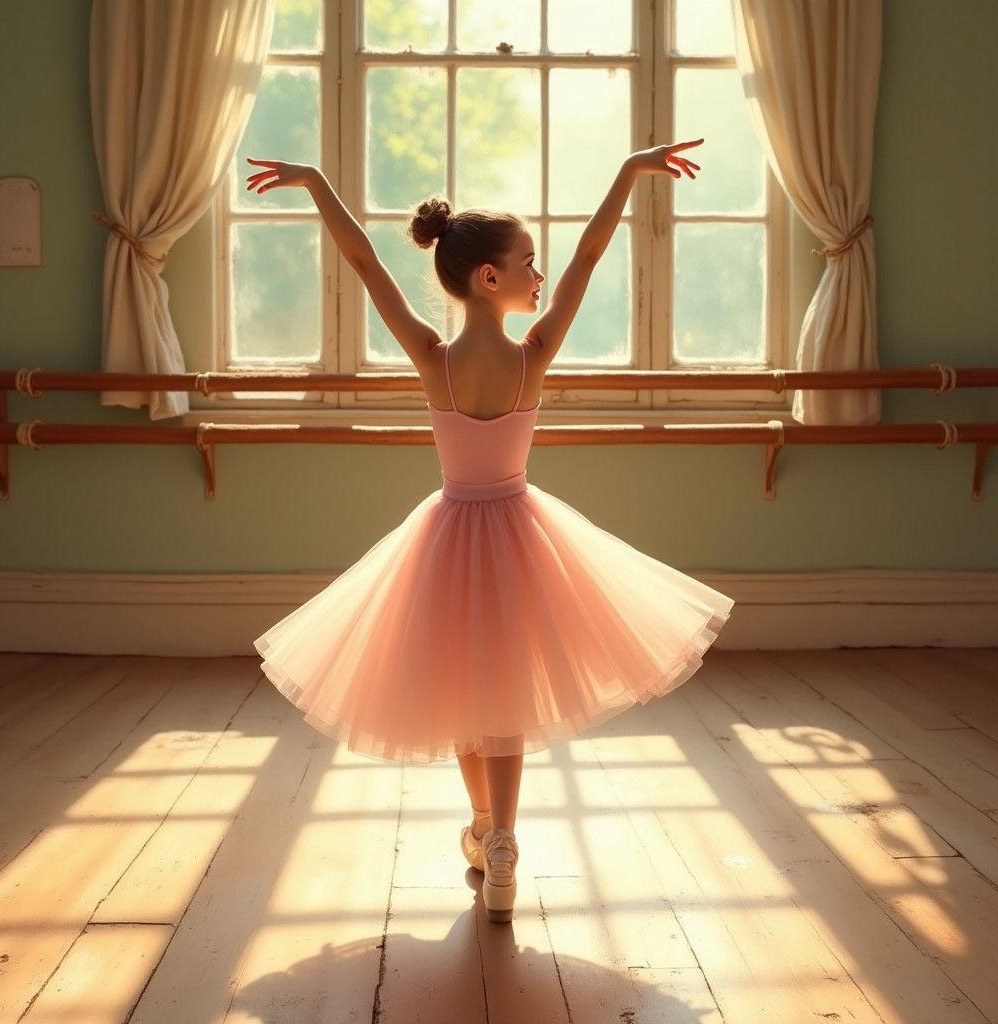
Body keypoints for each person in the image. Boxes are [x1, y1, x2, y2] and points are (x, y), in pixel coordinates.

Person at [246, 140, 734, 923]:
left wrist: (312, 183)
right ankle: (499, 834)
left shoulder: (431, 358)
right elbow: (593, 254)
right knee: (501, 693)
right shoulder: (533, 355)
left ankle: (487, 830)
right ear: (490, 278)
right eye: (528, 263)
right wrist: (626, 170)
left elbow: (366, 263)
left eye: (540, 263)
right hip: (518, 534)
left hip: (446, 537)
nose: (542, 275)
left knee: (465, 692)